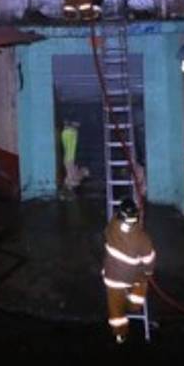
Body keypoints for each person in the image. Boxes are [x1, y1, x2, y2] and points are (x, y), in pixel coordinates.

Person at [102, 198, 156, 344]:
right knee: (142, 283)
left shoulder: (111, 227)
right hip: (133, 278)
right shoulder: (142, 239)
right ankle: (133, 305)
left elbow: (110, 224)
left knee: (115, 309)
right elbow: (149, 260)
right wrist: (148, 273)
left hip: (111, 278)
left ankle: (120, 334)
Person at [60, 120, 89, 195]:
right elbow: (84, 171)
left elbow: (84, 171)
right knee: (69, 149)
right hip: (69, 162)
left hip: (69, 161)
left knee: (70, 149)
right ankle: (69, 130)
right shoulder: (74, 180)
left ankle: (70, 130)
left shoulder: (73, 181)